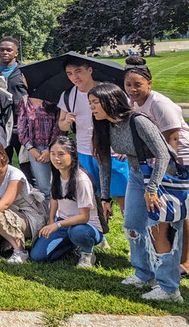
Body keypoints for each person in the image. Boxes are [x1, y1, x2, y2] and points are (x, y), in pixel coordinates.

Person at [90, 82, 183, 302]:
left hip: (161, 179)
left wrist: (152, 189)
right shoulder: (106, 126)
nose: (92, 108)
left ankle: (170, 289)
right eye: (90, 103)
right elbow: (104, 164)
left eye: (95, 102)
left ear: (109, 102)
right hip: (136, 176)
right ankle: (144, 273)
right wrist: (105, 197)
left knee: (158, 231)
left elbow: (163, 154)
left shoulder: (138, 121)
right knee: (132, 226)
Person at [123, 56, 189, 277]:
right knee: (166, 214)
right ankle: (165, 261)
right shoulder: (134, 104)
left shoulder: (159, 104)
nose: (132, 89)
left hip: (180, 159)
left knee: (181, 212)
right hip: (157, 160)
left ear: (150, 83)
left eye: (138, 85)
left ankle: (185, 263)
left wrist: (164, 174)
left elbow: (172, 140)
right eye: (128, 85)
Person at [57, 59, 127, 212]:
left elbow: (125, 118)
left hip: (111, 152)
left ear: (89, 70)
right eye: (70, 74)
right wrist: (67, 121)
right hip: (84, 153)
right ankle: (100, 231)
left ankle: (133, 231)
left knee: (122, 196)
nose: (75, 77)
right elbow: (61, 124)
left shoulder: (107, 91)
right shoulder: (68, 95)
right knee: (93, 197)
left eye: (78, 71)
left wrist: (124, 147)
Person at [30, 136, 104, 268]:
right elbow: (54, 197)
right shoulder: (56, 174)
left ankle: (87, 253)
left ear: (73, 155)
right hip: (63, 223)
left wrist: (57, 225)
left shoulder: (81, 180)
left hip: (86, 226)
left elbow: (84, 216)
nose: (56, 159)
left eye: (61, 154)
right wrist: (51, 220)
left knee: (78, 232)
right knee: (38, 256)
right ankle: (72, 244)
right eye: (52, 154)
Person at [17, 96, 60, 203]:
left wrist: (49, 149)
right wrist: (30, 148)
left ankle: (61, 215)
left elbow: (59, 127)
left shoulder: (54, 99)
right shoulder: (25, 101)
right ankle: (49, 217)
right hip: (35, 150)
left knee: (59, 185)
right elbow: (21, 127)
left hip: (56, 148)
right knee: (44, 188)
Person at [0, 37, 29, 158]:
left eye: (9, 50)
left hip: (21, 125)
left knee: (26, 165)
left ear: (16, 53)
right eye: (2, 50)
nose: (5, 52)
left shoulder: (25, 71)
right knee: (1, 164)